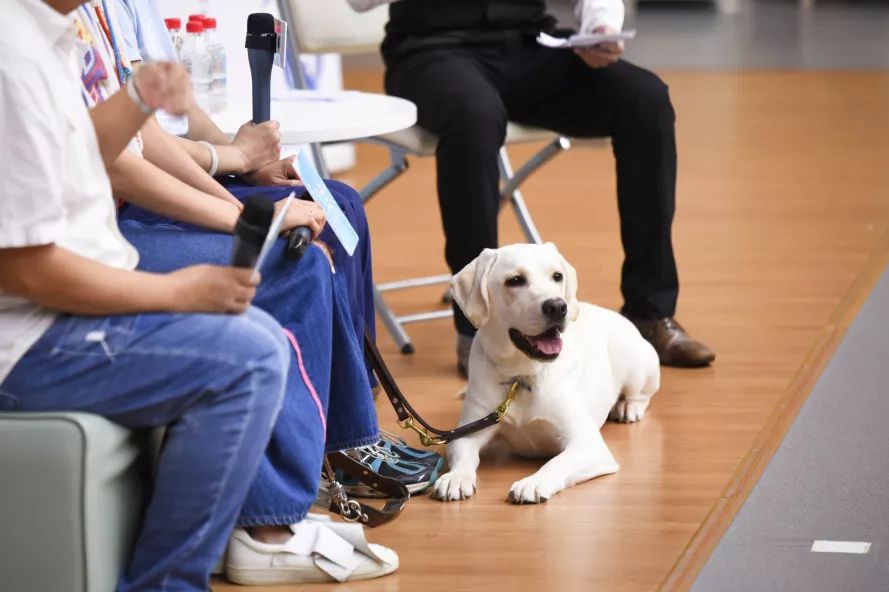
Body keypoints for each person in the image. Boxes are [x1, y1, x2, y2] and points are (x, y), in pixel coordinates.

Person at [0, 1, 288, 589]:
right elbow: (22, 270)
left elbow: (78, 153)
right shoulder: (11, 56)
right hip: (26, 340)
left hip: (54, 309)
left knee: (259, 337)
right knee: (251, 358)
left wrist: (137, 98)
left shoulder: (43, 31)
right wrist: (173, 291)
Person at [348, 0, 716, 373]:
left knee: (645, 99)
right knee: (475, 117)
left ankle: (649, 313)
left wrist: (600, 29)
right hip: (431, 50)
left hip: (529, 43)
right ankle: (477, 330)